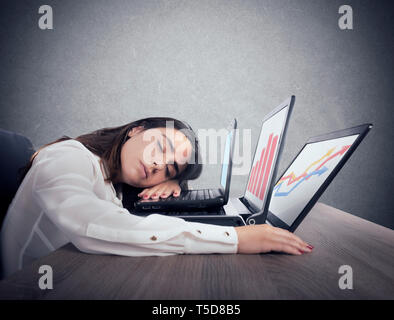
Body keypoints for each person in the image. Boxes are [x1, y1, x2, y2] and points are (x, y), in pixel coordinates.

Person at [0, 117, 312, 278]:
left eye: (170, 167)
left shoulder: (114, 187)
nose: (157, 165)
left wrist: (173, 189)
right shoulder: (65, 157)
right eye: (160, 147)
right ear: (135, 130)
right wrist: (235, 239)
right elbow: (91, 224)